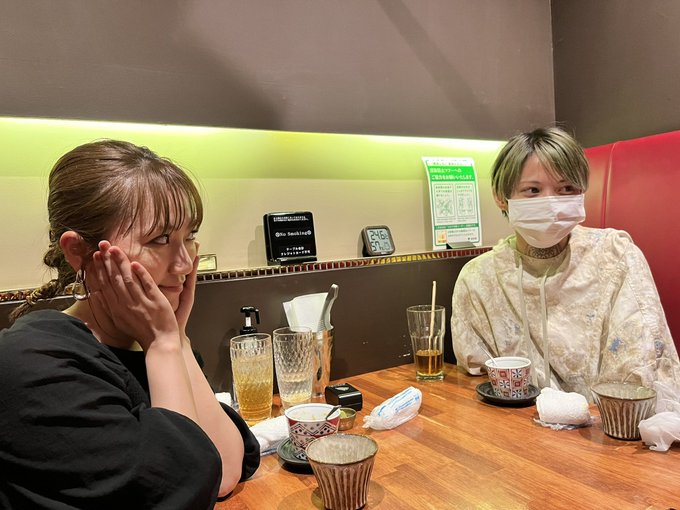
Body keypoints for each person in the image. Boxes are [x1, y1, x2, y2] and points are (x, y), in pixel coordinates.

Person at [0, 140, 260, 508]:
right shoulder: (33, 363)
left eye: (189, 236)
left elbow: (225, 472)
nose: (185, 263)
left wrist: (177, 339)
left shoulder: (148, 341)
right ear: (79, 251)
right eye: (160, 239)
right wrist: (164, 343)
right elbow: (183, 488)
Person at [451, 127, 680, 400]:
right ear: (501, 197)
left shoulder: (616, 256)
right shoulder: (479, 278)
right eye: (533, 190)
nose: (551, 203)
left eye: (566, 189)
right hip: (516, 420)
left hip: (612, 420)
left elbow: (639, 369)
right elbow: (477, 379)